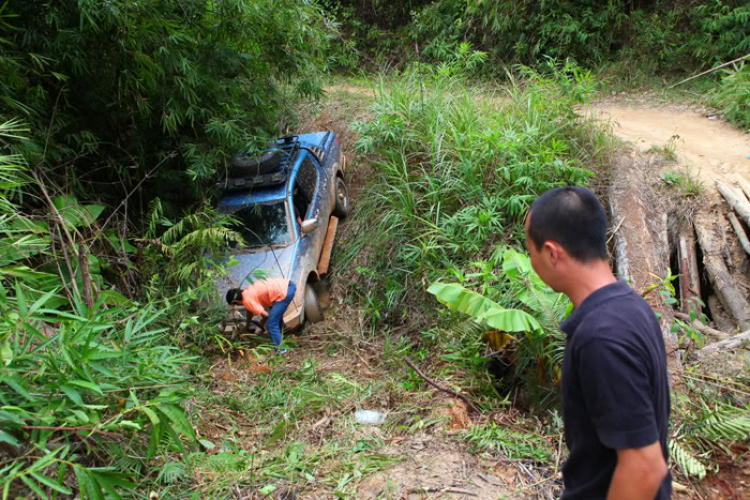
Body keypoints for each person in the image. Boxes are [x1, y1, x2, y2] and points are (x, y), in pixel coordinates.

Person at [524, 186, 671, 500]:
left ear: (551, 253)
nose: (531, 261)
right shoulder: (631, 307)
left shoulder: (601, 337)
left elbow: (645, 468)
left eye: (530, 251)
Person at [226, 278, 297, 351]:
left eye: (235, 304)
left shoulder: (247, 300)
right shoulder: (247, 291)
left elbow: (266, 316)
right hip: (287, 285)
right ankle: (285, 332)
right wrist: (247, 326)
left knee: (271, 324)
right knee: (274, 315)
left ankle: (282, 351)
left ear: (236, 301)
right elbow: (249, 311)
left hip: (284, 293)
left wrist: (259, 329)